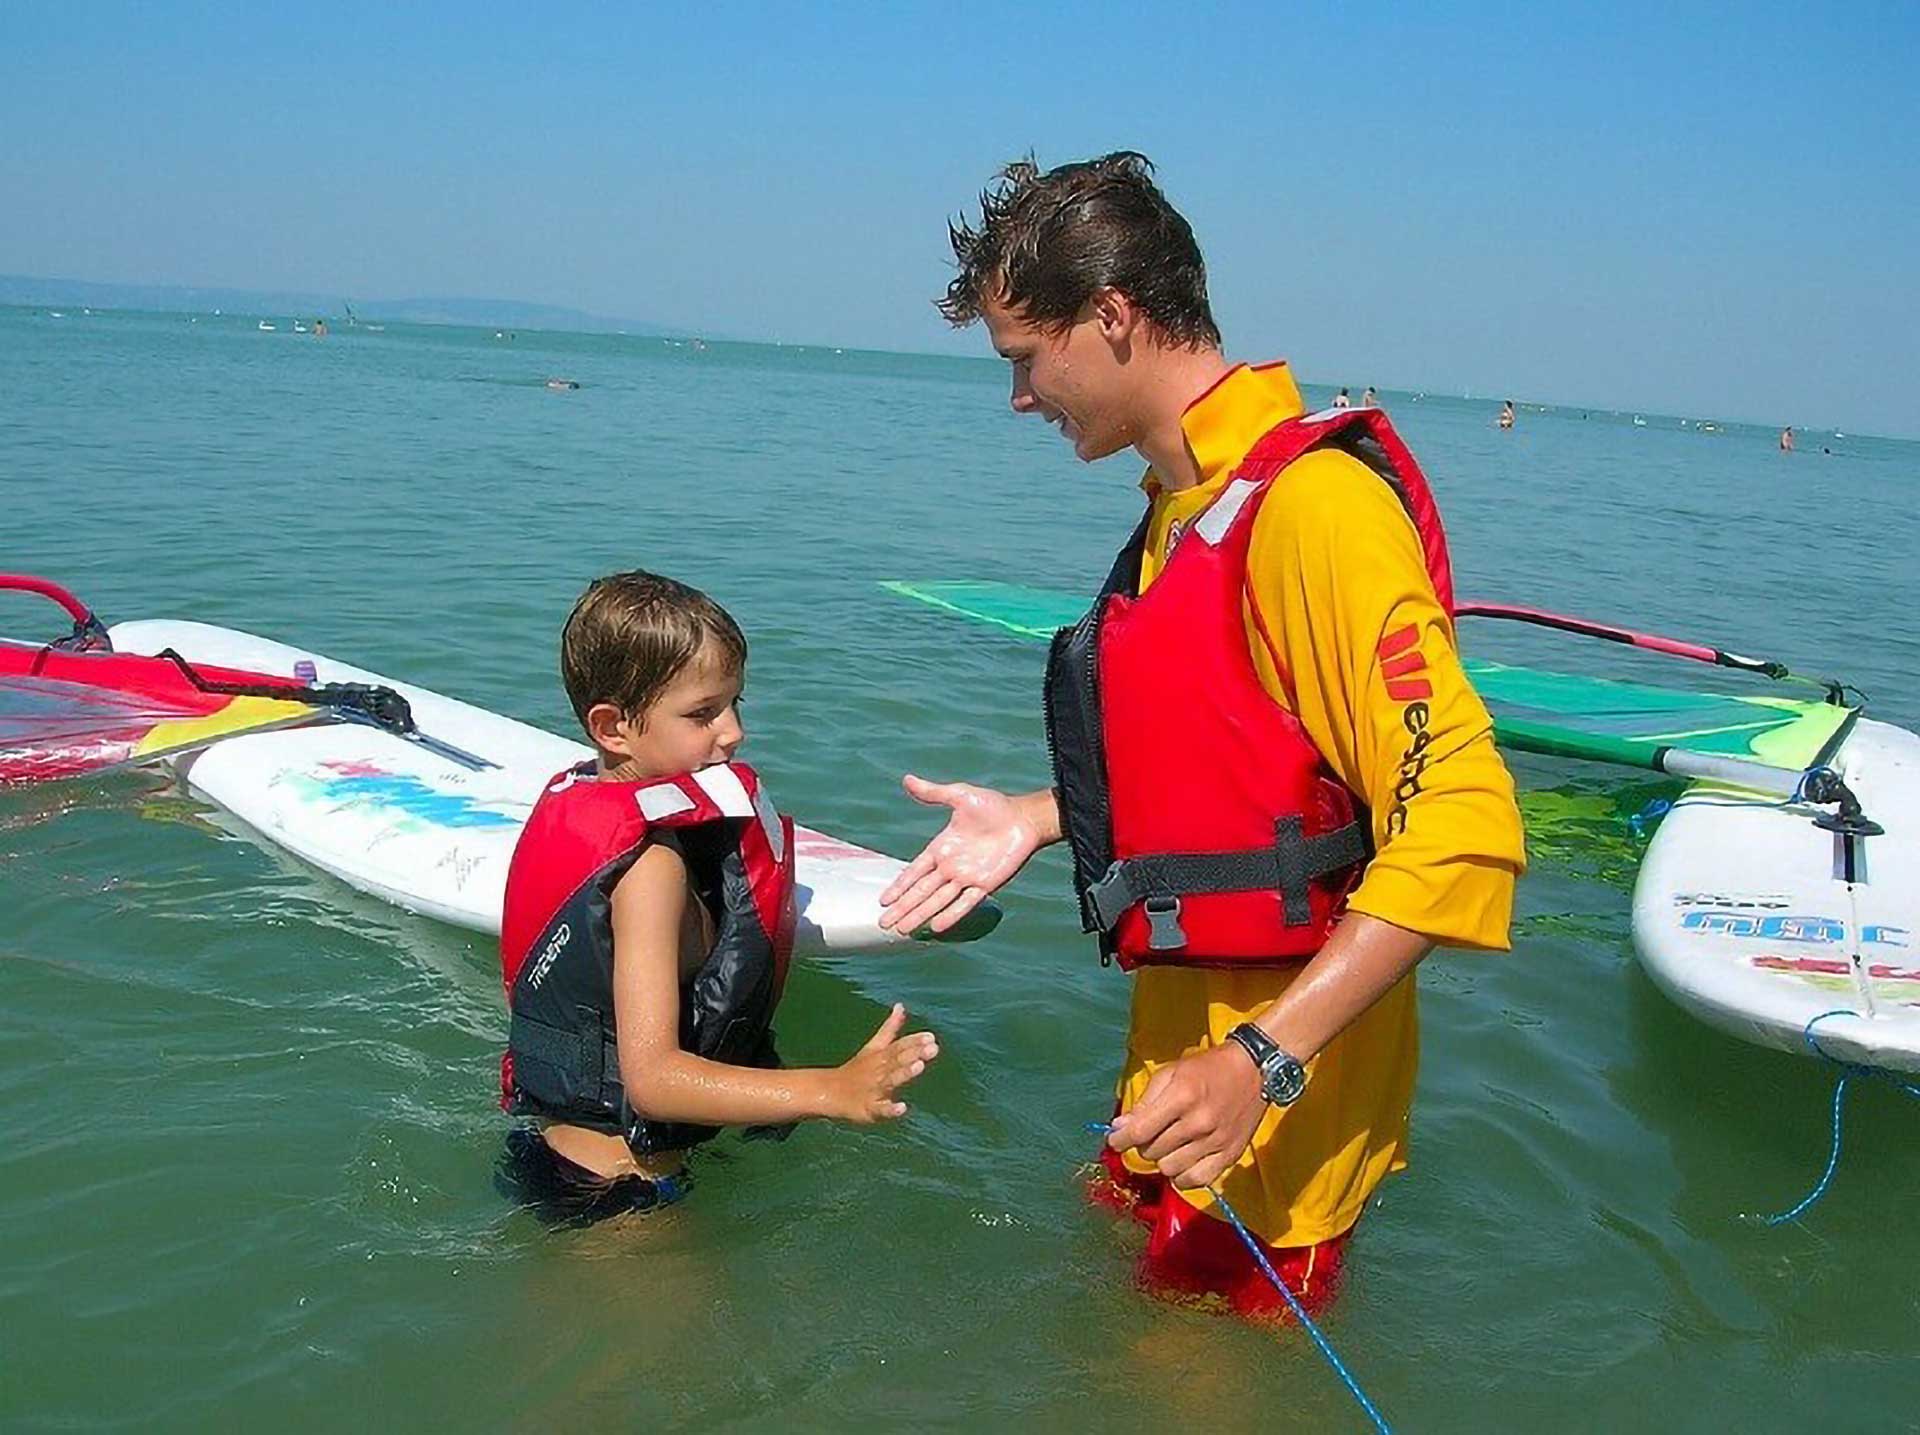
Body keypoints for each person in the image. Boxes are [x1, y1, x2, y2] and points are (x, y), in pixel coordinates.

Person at [879, 153, 1524, 1319]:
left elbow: (1465, 824)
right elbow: (1225, 760)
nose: (1020, 397)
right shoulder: (1183, 502)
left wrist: (1264, 1061)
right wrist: (1035, 817)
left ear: (1113, 317)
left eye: (1025, 360)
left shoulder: (1315, 511)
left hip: (1273, 1117)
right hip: (1176, 1077)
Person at [498, 571, 938, 1225]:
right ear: (613, 726)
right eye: (703, 713)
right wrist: (832, 1088)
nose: (732, 731)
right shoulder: (650, 868)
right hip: (621, 1195)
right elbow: (652, 1080)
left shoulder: (584, 797)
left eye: (736, 704)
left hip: (564, 1157)